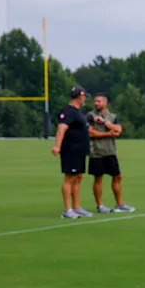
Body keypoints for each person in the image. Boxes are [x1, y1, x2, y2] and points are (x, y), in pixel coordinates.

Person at [87, 93, 135, 213]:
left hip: (110, 151)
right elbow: (90, 133)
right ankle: (100, 206)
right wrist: (108, 134)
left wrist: (104, 123)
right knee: (98, 178)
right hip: (96, 151)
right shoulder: (90, 116)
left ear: (105, 102)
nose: (96, 103)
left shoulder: (112, 116)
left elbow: (118, 129)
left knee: (117, 176)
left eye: (98, 101)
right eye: (95, 101)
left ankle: (119, 204)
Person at [51, 86, 92, 218]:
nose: (85, 98)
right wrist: (57, 146)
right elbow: (61, 129)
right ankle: (67, 209)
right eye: (84, 96)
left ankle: (76, 207)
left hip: (80, 150)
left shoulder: (77, 111)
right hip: (71, 150)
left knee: (78, 177)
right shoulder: (69, 111)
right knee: (69, 178)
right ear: (80, 96)